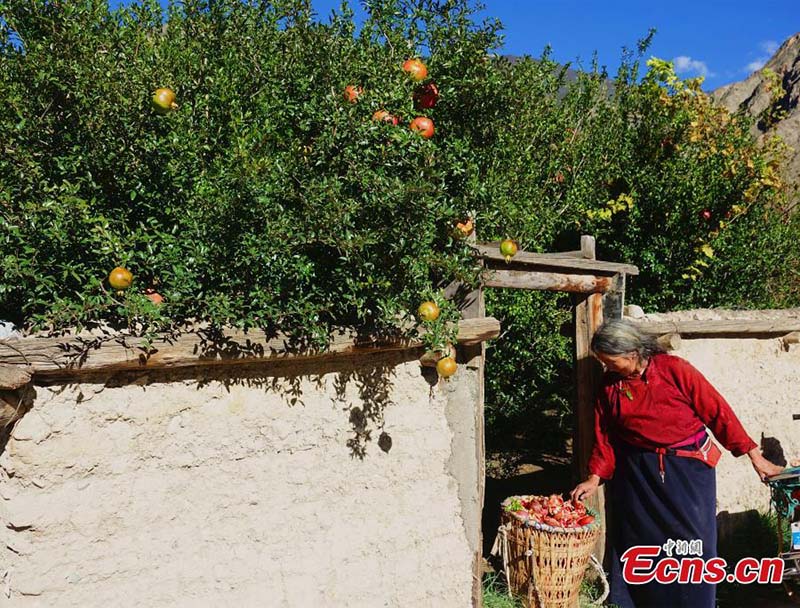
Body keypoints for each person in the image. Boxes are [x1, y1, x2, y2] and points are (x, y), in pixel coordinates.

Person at [570, 318, 782, 608]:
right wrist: (595, 477)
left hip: (688, 470)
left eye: (611, 360)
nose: (607, 367)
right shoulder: (610, 387)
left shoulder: (673, 370)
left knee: (692, 545)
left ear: (631, 354)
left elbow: (717, 412)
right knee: (644, 542)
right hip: (640, 475)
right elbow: (604, 434)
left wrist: (753, 454)